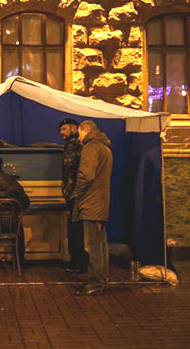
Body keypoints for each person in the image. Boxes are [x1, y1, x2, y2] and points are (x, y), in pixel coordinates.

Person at [70, 120, 113, 295]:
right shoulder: (105, 147)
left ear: (86, 130)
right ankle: (101, 279)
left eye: (79, 133)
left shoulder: (91, 147)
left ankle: (96, 283)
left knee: (92, 246)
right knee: (101, 245)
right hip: (100, 202)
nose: (79, 138)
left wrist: (76, 193)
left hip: (90, 203)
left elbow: (86, 175)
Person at [59, 118, 88, 274]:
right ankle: (79, 262)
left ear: (74, 128)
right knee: (78, 229)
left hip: (75, 194)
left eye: (64, 129)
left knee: (77, 230)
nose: (61, 133)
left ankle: (78, 263)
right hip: (77, 193)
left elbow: (70, 171)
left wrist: (69, 192)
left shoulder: (73, 145)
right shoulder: (79, 145)